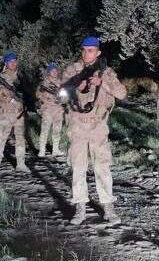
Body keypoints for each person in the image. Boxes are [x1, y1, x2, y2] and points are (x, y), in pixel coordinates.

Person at [61, 36, 126, 224]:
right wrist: (74, 88)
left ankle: (108, 208)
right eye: (83, 50)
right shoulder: (72, 70)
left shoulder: (106, 72)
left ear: (98, 52)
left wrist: (102, 83)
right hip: (77, 125)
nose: (86, 54)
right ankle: (80, 208)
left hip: (98, 126)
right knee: (78, 167)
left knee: (102, 167)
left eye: (90, 50)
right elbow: (61, 97)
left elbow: (122, 93)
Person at [0, 51, 28, 175]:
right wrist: (1, 90)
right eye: (11, 62)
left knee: (20, 139)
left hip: (19, 114)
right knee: (1, 139)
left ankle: (21, 164)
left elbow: (26, 92)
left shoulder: (21, 76)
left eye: (15, 61)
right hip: (5, 113)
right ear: (6, 63)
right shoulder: (1, 77)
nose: (13, 64)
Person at [36, 62, 64, 158]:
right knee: (45, 130)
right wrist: (44, 96)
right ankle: (42, 150)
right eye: (52, 71)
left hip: (58, 109)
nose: (54, 72)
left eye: (56, 70)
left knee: (57, 130)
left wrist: (62, 99)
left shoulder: (61, 83)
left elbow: (65, 96)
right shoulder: (44, 83)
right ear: (49, 72)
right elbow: (37, 95)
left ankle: (55, 150)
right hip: (47, 109)